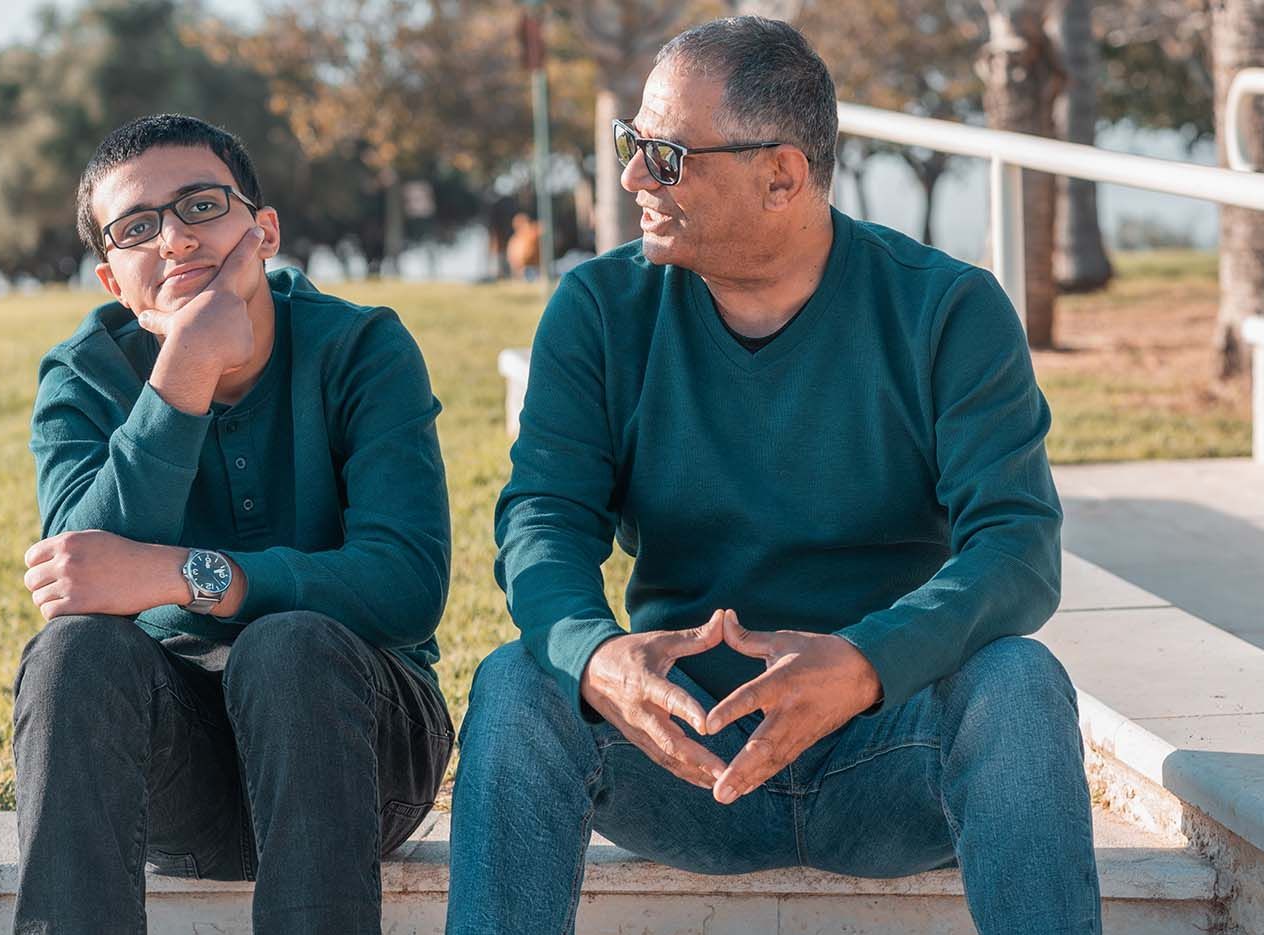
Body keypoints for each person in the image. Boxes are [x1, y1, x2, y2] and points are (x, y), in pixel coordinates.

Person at [448, 16, 1100, 935]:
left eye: (667, 157)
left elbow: (1018, 546)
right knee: (520, 681)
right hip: (680, 754)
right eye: (634, 145)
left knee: (1021, 683)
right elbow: (542, 518)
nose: (633, 178)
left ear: (782, 177)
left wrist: (866, 664)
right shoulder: (600, 308)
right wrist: (596, 655)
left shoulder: (948, 309)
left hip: (887, 752)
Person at [14, 114, 453, 935]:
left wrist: (189, 575)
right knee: (73, 652)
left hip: (362, 750)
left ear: (264, 231)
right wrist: (184, 368)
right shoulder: (84, 375)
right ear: (113, 280)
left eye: (202, 205)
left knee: (288, 644)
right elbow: (77, 579)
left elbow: (406, 584)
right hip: (178, 776)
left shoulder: (363, 347)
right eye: (137, 228)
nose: (175, 238)